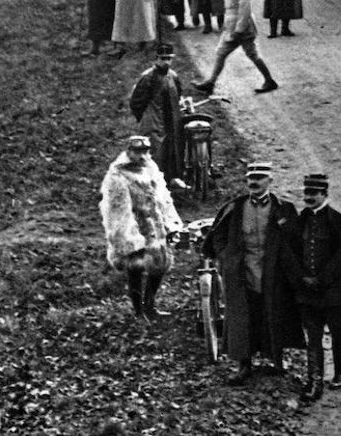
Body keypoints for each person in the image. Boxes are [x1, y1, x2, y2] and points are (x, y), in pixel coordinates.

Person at [202, 162, 304, 385]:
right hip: (242, 272)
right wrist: (226, 257)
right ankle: (244, 365)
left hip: (272, 273)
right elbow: (217, 236)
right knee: (242, 317)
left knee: (274, 313)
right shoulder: (234, 208)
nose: (254, 182)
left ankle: (277, 360)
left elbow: (296, 240)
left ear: (270, 181)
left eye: (259, 178)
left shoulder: (284, 208)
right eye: (251, 178)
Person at [284, 173, 341, 402]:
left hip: (333, 291)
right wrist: (302, 278)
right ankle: (315, 381)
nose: (308, 198)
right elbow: (290, 253)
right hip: (307, 291)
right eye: (306, 193)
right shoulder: (299, 221)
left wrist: (322, 280)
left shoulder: (339, 220)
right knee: (313, 336)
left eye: (314, 194)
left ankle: (340, 372)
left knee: (337, 332)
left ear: (325, 194)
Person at [98, 135, 183, 321]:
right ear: (129, 152)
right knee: (135, 268)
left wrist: (171, 223)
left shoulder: (151, 169)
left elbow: (164, 199)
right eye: (137, 152)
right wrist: (129, 237)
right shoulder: (118, 175)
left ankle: (150, 305)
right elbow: (118, 209)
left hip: (155, 226)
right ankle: (138, 311)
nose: (142, 156)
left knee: (159, 265)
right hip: (135, 226)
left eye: (145, 151)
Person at [190, 0, 279, 95]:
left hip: (243, 29)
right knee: (221, 53)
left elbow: (245, 10)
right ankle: (210, 83)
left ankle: (269, 81)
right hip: (231, 28)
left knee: (252, 54)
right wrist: (227, 27)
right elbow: (230, 10)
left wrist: (239, 30)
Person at [129, 42, 185, 186]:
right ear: (156, 59)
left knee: (174, 148)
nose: (166, 62)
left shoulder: (173, 76)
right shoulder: (147, 77)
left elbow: (178, 95)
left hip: (172, 119)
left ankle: (172, 178)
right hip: (154, 120)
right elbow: (136, 102)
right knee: (155, 150)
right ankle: (153, 182)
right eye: (162, 58)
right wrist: (144, 117)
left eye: (168, 58)